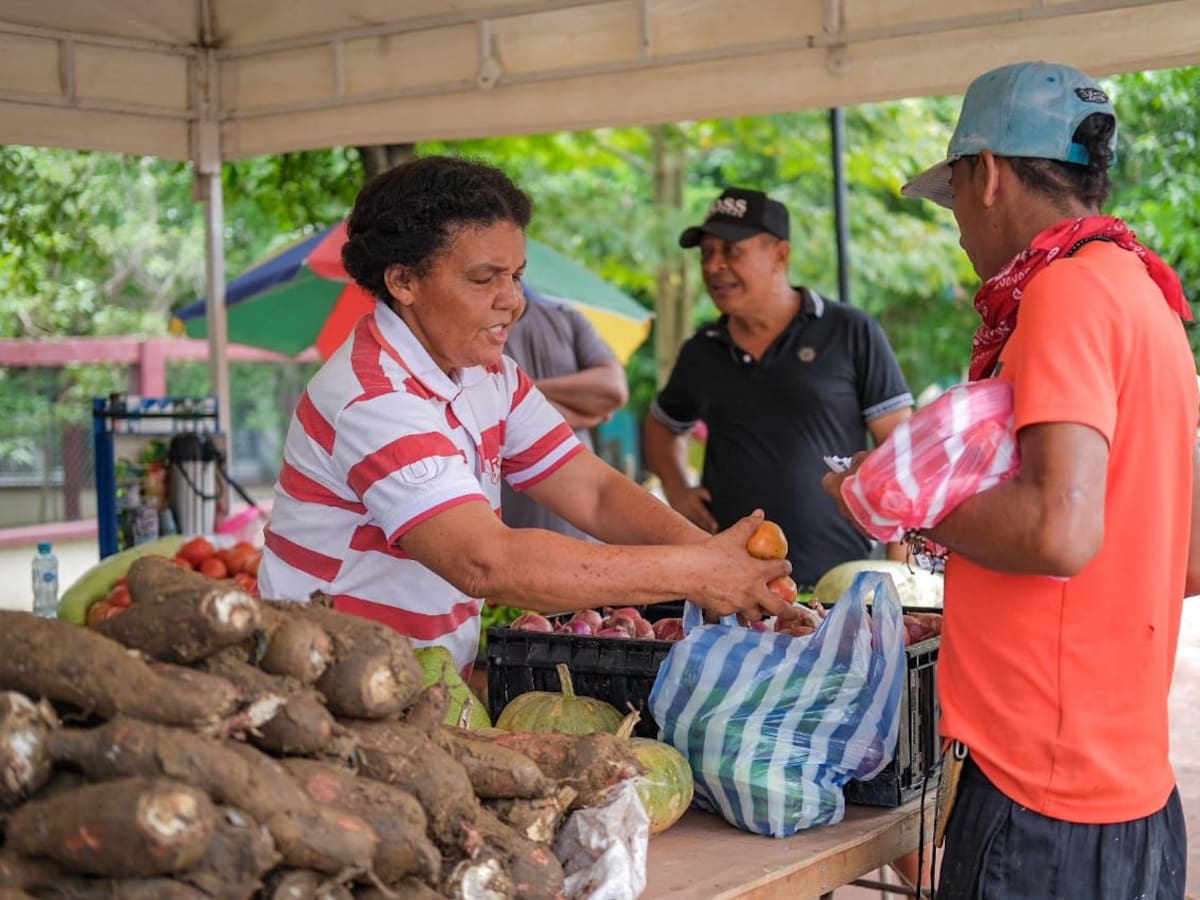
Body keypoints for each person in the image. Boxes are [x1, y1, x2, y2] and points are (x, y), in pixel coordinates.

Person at [825, 61, 1196, 898]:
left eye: (952, 191)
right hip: (1132, 795)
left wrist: (906, 497)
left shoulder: (1064, 292)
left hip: (1042, 795)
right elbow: (1190, 555)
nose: (955, 223)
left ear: (985, 173)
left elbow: (1059, 531)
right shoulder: (1147, 297)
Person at [257, 155, 799, 676]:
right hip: (327, 682)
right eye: (483, 278)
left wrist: (718, 561)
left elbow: (593, 491)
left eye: (516, 275)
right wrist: (698, 572)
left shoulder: (488, 373)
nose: (512, 300)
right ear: (403, 282)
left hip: (420, 678)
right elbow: (485, 561)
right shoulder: (372, 396)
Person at [643, 186, 914, 591]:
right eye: (706, 254)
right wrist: (678, 489)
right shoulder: (702, 350)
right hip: (734, 589)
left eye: (731, 251)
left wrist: (901, 569)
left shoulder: (849, 330)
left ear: (780, 255)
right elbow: (661, 427)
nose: (714, 266)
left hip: (844, 584)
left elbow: (900, 447)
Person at [501, 287, 628, 540]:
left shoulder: (568, 318)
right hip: (510, 533)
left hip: (581, 526)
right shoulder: (468, 334)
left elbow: (614, 389)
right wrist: (582, 414)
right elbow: (489, 414)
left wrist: (515, 390)